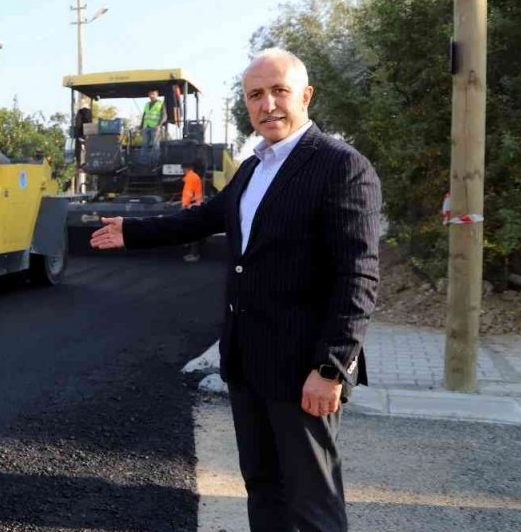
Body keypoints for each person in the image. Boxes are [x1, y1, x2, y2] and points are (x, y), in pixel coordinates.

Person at [91, 48, 381, 532]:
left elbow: (359, 275)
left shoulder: (340, 167)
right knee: (263, 489)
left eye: (279, 91)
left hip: (304, 369)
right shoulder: (251, 169)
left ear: (305, 95)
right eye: (255, 96)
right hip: (248, 362)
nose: (268, 105)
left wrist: (331, 367)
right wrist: (133, 231)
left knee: (312, 503)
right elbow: (202, 219)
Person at [180, 162, 204, 263]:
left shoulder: (190, 178)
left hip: (192, 206)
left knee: (192, 229)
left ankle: (194, 254)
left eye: (183, 169)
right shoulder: (193, 176)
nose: (182, 171)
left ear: (186, 168)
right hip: (196, 204)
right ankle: (190, 246)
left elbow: (189, 193)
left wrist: (184, 205)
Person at [138, 89, 167, 160]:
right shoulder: (147, 104)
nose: (151, 95)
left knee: (155, 145)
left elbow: (164, 116)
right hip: (146, 127)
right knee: (144, 145)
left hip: (155, 127)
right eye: (150, 94)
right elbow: (144, 116)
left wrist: (159, 125)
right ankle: (143, 161)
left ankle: (155, 161)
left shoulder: (161, 103)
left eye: (153, 94)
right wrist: (141, 126)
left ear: (157, 95)